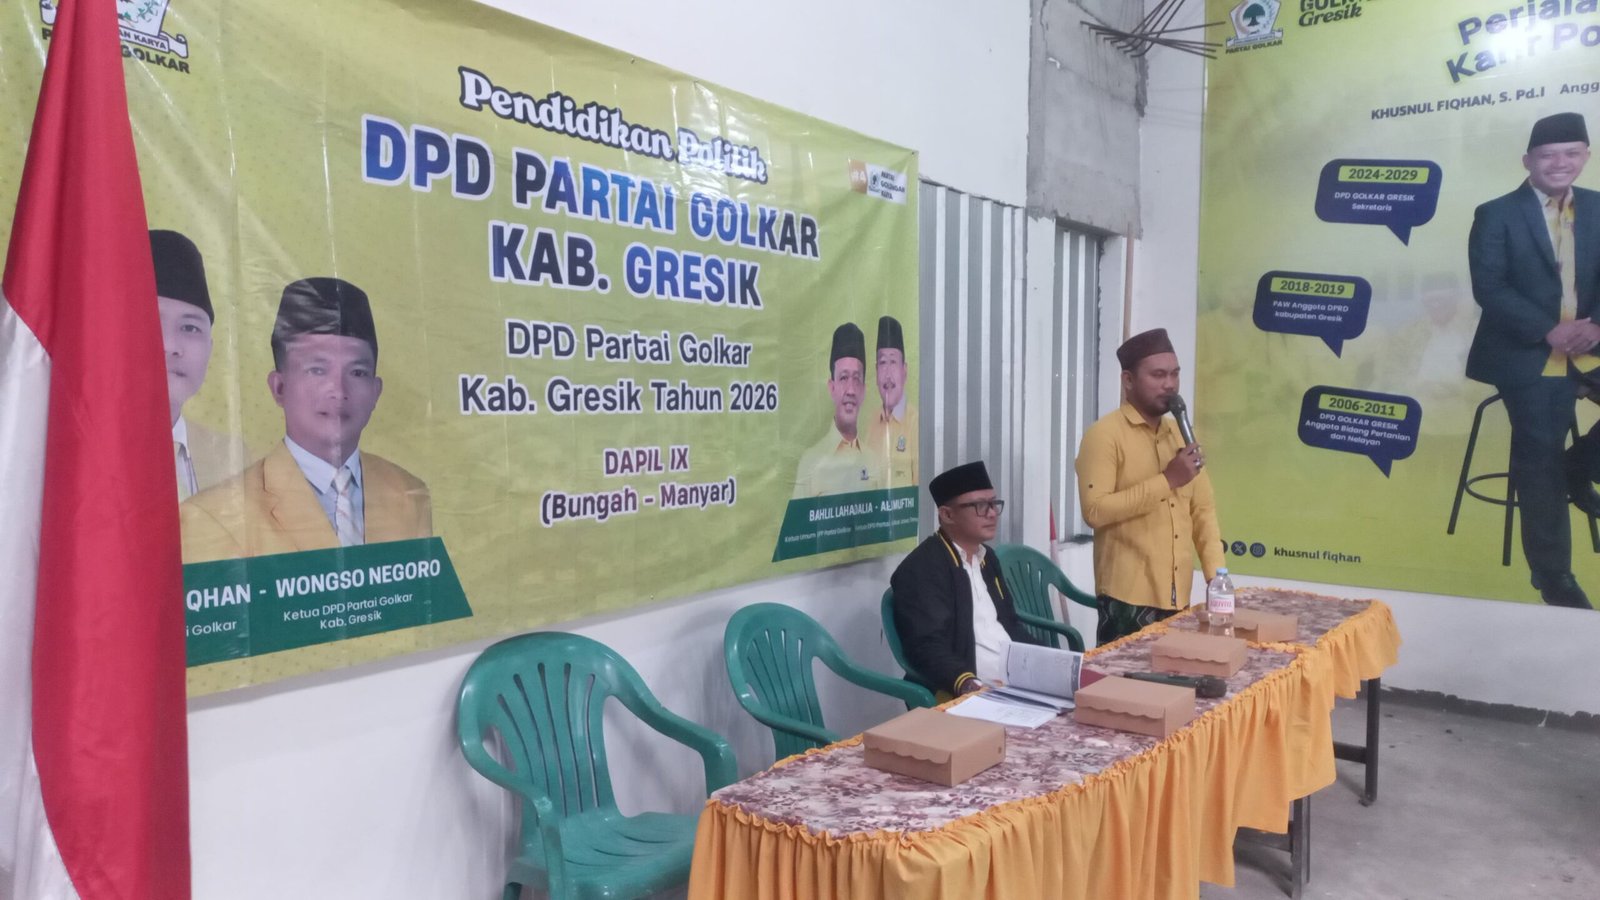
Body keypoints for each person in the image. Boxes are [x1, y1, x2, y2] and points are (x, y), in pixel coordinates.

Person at [180, 277, 431, 562]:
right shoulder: (214, 516)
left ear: (376, 392)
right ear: (279, 388)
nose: (338, 390)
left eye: (357, 372)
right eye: (317, 370)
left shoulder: (410, 493)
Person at [1466, 112, 1597, 609]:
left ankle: (1578, 465)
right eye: (1548, 155)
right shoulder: (1496, 213)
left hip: (1592, 343)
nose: (1560, 163)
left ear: (1586, 156)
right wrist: (1549, 329)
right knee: (1539, 454)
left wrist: (1596, 326)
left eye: (1571, 153)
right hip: (1527, 351)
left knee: (1558, 460)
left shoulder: (1599, 207)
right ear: (1528, 161)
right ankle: (1554, 575)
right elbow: (1490, 287)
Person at [1076, 328, 1224, 644]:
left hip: (1177, 594)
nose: (1169, 384)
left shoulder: (1179, 433)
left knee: (1176, 674)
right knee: (1124, 677)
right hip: (1126, 599)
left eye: (1174, 374)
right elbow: (1095, 511)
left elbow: (1203, 511)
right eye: (1158, 375)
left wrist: (1216, 578)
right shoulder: (1104, 435)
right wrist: (1167, 481)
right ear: (1128, 380)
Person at [889, 461, 1041, 696]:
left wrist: (1046, 660)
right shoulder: (922, 569)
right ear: (947, 515)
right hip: (967, 689)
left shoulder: (987, 558)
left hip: (1016, 680)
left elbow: (1009, 623)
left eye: (994, 503)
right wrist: (967, 683)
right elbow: (926, 647)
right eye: (980, 506)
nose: (992, 513)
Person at [152, 229, 246, 499]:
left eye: (190, 328)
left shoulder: (234, 457)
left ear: (210, 348)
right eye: (149, 320)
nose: (169, 345)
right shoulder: (71, 448)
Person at [791, 322, 882, 497]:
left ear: (864, 390)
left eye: (856, 379)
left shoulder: (873, 462)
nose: (850, 390)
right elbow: (799, 517)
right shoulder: (811, 462)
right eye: (843, 378)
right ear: (831, 387)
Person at [866, 315, 919, 487]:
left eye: (893, 362)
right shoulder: (870, 423)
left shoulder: (916, 424)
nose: (888, 374)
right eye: (883, 363)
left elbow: (921, 494)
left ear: (904, 370)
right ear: (876, 370)